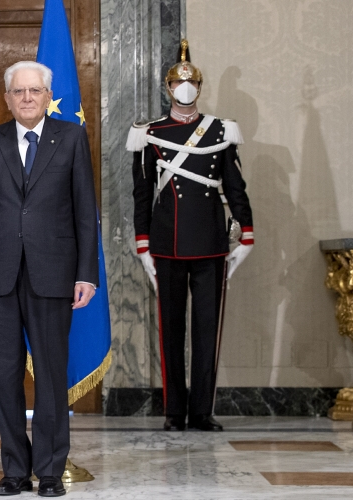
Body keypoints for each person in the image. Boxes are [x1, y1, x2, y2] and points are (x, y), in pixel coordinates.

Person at [0, 61, 98, 498]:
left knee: (52, 375)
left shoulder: (71, 137)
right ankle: (15, 470)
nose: (26, 98)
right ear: (7, 98)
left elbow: (85, 211)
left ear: (47, 96)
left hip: (54, 273)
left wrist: (87, 273)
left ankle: (51, 470)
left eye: (34, 91)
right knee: (4, 376)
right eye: (18, 91)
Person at [127, 39, 254, 432]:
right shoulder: (149, 133)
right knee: (170, 330)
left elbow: (235, 186)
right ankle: (173, 411)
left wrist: (246, 234)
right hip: (166, 244)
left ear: (199, 87)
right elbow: (142, 193)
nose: (185, 88)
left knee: (207, 330)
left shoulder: (221, 130)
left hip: (211, 242)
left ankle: (201, 411)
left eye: (192, 83)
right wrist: (143, 243)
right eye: (178, 83)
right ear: (168, 87)